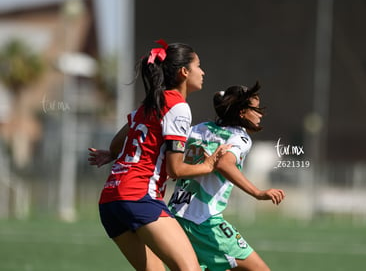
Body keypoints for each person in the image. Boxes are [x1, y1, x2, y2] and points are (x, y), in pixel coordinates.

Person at [88, 40, 229, 271]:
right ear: (184, 72)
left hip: (111, 200)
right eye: (198, 66)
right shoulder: (178, 107)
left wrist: (113, 154)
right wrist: (209, 165)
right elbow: (176, 169)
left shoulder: (149, 104)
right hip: (139, 196)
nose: (202, 72)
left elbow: (116, 143)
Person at [168, 82, 286, 271]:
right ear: (241, 113)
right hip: (204, 222)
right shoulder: (240, 138)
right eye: (256, 109)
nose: (260, 114)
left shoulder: (198, 129)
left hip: (176, 216)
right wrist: (257, 193)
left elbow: (170, 152)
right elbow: (224, 164)